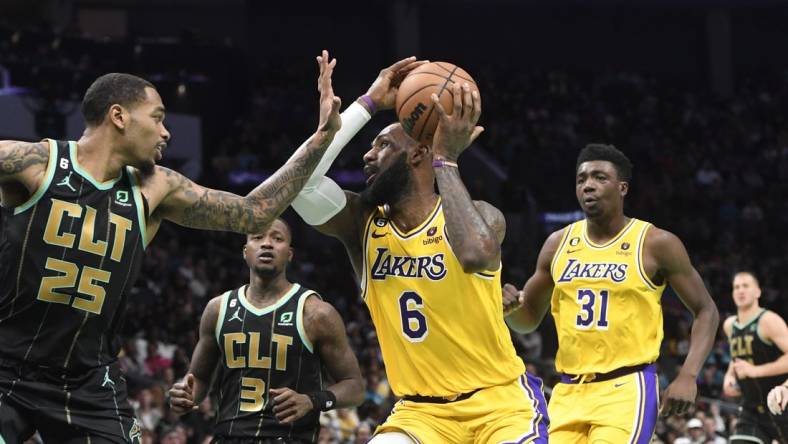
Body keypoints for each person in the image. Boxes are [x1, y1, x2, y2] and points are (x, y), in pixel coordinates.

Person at [0, 50, 342, 442]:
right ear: (119, 116)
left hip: (87, 384)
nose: (166, 132)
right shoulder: (34, 163)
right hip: (6, 367)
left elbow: (254, 213)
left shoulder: (156, 187)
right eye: (158, 118)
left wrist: (323, 137)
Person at [290, 75, 549, 441]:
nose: (366, 156)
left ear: (416, 153)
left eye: (382, 145)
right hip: (420, 414)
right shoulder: (361, 225)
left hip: (500, 404)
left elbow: (475, 255)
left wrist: (446, 159)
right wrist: (365, 105)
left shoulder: (481, 215)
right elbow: (299, 185)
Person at [504, 144, 719, 443]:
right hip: (568, 391)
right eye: (581, 179)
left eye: (599, 177)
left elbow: (706, 310)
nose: (588, 185)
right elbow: (527, 321)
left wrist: (688, 375)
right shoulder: (557, 244)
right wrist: (511, 310)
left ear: (622, 188)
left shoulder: (656, 243)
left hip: (626, 389)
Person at [168, 218, 364, 443]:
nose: (267, 244)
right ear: (245, 251)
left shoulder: (316, 313)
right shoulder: (218, 309)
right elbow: (199, 378)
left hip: (288, 438)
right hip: (228, 437)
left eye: (277, 238)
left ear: (289, 254)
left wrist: (312, 400)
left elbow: (355, 387)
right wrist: (186, 395)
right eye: (258, 237)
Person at [722, 271, 788, 443]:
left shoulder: (769, 320)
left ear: (758, 292)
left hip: (781, 402)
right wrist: (729, 375)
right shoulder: (729, 325)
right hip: (752, 409)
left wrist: (755, 371)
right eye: (736, 287)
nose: (740, 291)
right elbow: (737, 356)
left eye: (745, 286)